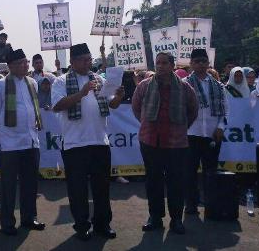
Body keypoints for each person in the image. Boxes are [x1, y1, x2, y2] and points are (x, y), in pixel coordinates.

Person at [51, 43, 124, 241]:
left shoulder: (99, 79)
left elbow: (112, 104)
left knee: (102, 187)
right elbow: (57, 106)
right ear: (73, 62)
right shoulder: (61, 81)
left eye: (90, 59)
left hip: (100, 142)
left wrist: (118, 97)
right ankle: (82, 226)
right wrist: (82, 93)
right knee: (78, 189)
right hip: (75, 145)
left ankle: (102, 224)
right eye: (84, 59)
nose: (88, 62)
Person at [132, 52, 198, 234]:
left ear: (172, 65)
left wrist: (181, 128)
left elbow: (193, 111)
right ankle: (155, 217)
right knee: (153, 180)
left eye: (164, 63)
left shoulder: (185, 89)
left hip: (176, 144)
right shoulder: (144, 86)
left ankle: (176, 219)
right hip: (150, 141)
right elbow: (136, 108)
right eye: (157, 63)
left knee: (176, 182)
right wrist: (147, 124)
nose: (160, 66)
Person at [0, 49, 46, 236]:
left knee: (30, 183)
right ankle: (7, 223)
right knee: (8, 186)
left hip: (31, 141)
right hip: (10, 144)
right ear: (10, 66)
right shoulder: (0, 86)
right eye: (21, 62)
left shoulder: (32, 83)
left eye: (26, 61)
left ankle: (29, 218)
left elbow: (33, 108)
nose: (26, 65)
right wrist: (4, 137)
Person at [184, 49, 226, 215]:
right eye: (197, 61)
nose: (201, 64)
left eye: (204, 61)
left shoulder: (218, 85)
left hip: (212, 134)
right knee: (189, 172)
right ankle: (191, 205)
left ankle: (211, 203)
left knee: (210, 171)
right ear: (191, 64)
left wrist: (221, 127)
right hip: (190, 133)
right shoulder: (184, 84)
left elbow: (226, 110)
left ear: (208, 63)